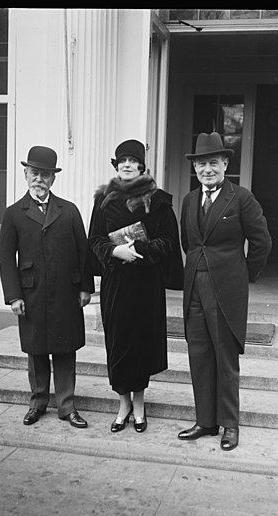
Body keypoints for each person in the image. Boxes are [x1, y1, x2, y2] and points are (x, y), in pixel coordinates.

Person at [178, 132, 272, 451]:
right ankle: (205, 421)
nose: (207, 170)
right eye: (202, 164)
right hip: (194, 289)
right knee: (199, 356)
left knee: (225, 359)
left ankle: (230, 425)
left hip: (226, 291)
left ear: (225, 164)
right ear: (196, 168)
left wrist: (244, 275)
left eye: (213, 163)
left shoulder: (241, 198)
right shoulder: (190, 200)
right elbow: (188, 243)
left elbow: (262, 242)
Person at [86, 139, 183, 433]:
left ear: (142, 166)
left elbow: (168, 241)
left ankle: (139, 406)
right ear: (117, 166)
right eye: (122, 160)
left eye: (133, 160)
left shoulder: (159, 201)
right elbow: (94, 239)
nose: (127, 164)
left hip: (146, 285)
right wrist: (115, 252)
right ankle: (122, 404)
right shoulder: (103, 201)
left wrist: (140, 249)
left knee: (141, 345)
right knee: (118, 343)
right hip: (117, 284)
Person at [0, 145, 94, 428]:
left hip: (66, 291)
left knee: (65, 349)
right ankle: (38, 403)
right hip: (31, 293)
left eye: (45, 175)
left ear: (53, 179)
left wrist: (85, 288)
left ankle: (67, 407)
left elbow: (83, 252)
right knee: (37, 350)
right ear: (25, 174)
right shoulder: (14, 213)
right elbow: (5, 259)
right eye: (34, 173)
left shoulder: (69, 211)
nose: (39, 179)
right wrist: (14, 296)